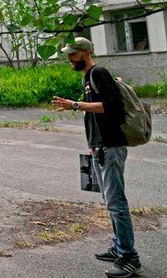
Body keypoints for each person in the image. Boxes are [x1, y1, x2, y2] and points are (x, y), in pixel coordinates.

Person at [51, 38, 142, 278]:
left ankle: (130, 258)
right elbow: (96, 117)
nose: (69, 58)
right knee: (110, 201)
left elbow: (111, 107)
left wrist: (74, 105)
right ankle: (119, 247)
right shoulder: (88, 77)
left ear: (86, 53)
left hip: (111, 146)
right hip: (100, 147)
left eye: (72, 54)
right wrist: (92, 145)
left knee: (117, 203)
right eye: (68, 54)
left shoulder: (98, 73)